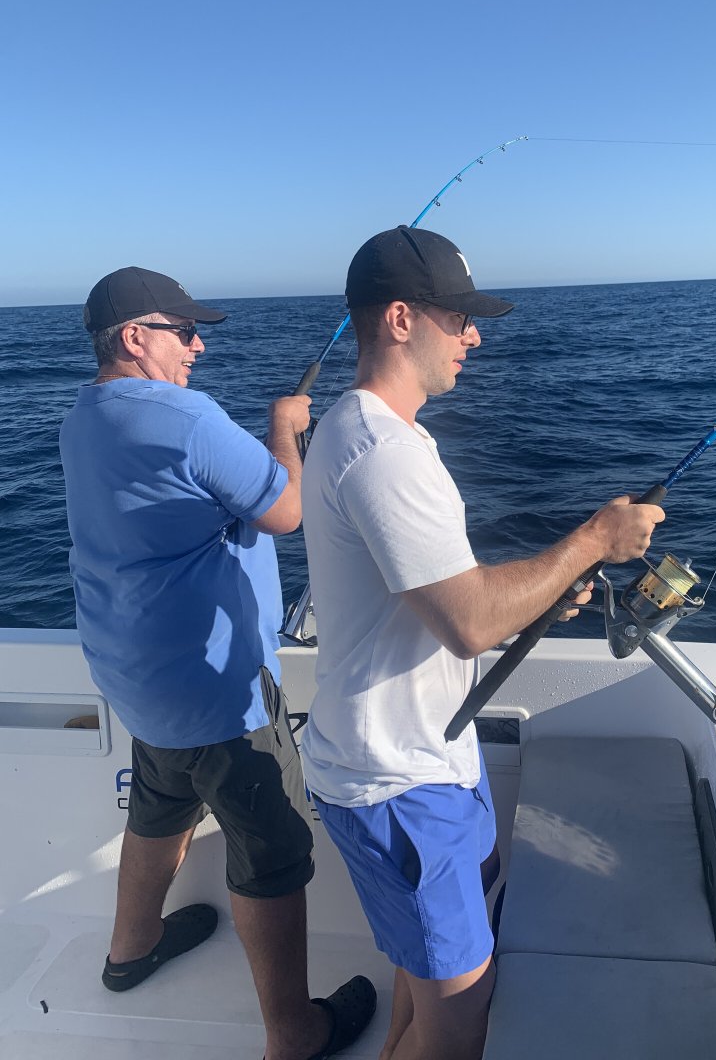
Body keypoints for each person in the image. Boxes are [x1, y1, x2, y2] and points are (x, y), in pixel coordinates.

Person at [298, 226, 665, 1060]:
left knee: (439, 960)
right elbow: (468, 617)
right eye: (458, 317)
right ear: (400, 318)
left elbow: (441, 595)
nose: (475, 335)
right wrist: (593, 540)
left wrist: (534, 595)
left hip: (430, 756)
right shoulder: (382, 451)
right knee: (460, 1024)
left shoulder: (360, 428)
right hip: (396, 782)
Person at [59, 266, 376, 1060]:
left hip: (136, 669)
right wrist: (284, 430)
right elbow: (286, 511)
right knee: (271, 852)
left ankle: (130, 951)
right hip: (216, 685)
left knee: (159, 807)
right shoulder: (188, 417)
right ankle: (293, 1032)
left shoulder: (82, 415)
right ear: (136, 337)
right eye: (184, 330)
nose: (199, 346)